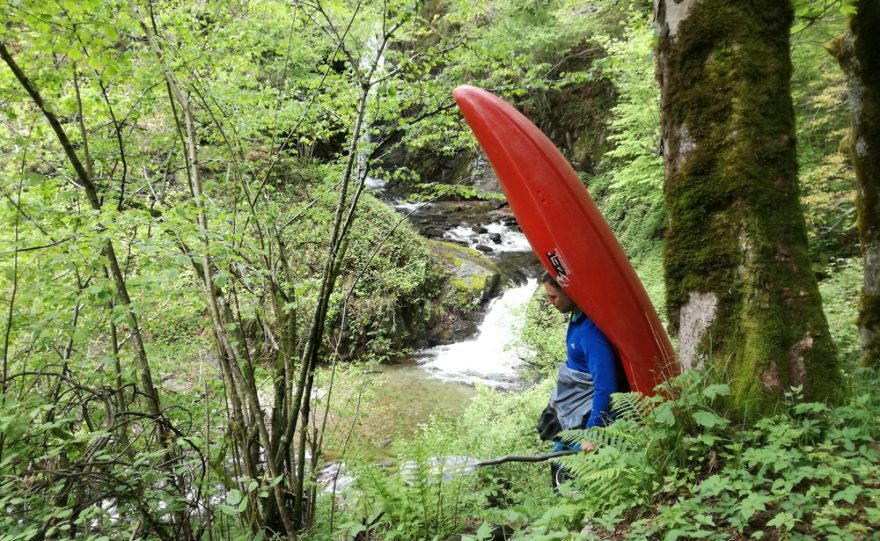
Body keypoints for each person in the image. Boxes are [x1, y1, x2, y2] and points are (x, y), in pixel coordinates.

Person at [536, 271, 628, 488]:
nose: (550, 302)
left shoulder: (591, 333)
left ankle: (580, 511)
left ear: (569, 292)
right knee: (557, 457)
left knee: (573, 468)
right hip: (573, 404)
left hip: (587, 415)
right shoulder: (577, 317)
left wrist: (593, 433)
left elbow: (605, 386)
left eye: (553, 297)